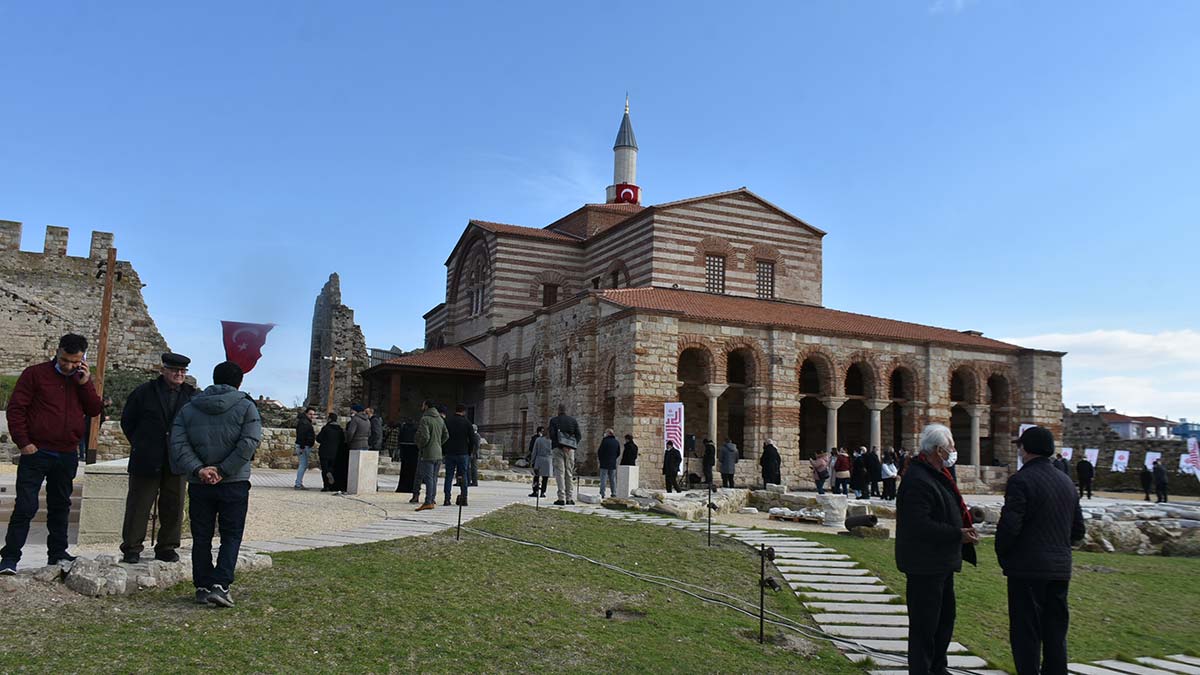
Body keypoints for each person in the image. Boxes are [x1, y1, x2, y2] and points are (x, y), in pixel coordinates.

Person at [1, 334, 103, 574]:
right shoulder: (35, 374)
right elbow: (16, 409)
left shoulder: (81, 379)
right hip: (36, 451)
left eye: (74, 362)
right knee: (25, 506)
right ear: (57, 352)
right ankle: (10, 559)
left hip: (66, 453)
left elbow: (94, 409)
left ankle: (57, 554)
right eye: (64, 360)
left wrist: (85, 383)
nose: (68, 366)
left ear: (83, 359)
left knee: (61, 506)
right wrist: (24, 443)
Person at [169, 360, 262, 608]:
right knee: (231, 535)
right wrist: (222, 470)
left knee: (202, 536)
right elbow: (249, 442)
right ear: (239, 382)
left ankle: (201, 586)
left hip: (200, 483)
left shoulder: (189, 408)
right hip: (234, 481)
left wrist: (200, 469)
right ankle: (221, 585)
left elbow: (179, 444)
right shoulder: (246, 407)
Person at [996, 425, 1085, 675]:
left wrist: (1004, 555)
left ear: (1025, 449)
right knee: (1055, 631)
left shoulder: (1021, 480)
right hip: (1059, 570)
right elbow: (1078, 530)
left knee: (1026, 631)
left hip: (1027, 570)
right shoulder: (1067, 482)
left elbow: (1010, 526)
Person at [895, 423, 978, 675]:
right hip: (925, 564)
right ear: (939, 450)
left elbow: (941, 509)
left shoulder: (937, 475)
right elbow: (919, 524)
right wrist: (957, 534)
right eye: (950, 446)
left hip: (941, 563)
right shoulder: (918, 479)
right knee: (925, 625)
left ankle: (938, 668)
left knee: (943, 622)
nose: (954, 451)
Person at [118, 352, 196, 565]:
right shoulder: (144, 392)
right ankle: (132, 548)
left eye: (182, 371)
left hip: (176, 460)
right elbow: (128, 421)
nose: (179, 374)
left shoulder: (191, 396)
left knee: (174, 505)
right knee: (139, 505)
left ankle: (167, 547)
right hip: (146, 458)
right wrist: (141, 444)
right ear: (164, 370)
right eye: (174, 370)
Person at [413, 399, 448, 511]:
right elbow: (446, 435)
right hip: (438, 452)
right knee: (433, 478)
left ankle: (428, 501)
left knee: (427, 478)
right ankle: (432, 499)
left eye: (423, 405)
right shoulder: (440, 419)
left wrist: (421, 445)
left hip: (428, 452)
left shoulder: (425, 419)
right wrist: (438, 443)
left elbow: (425, 436)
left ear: (426, 406)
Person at [443, 404, 476, 507]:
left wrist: (444, 450)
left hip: (450, 453)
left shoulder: (448, 422)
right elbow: (472, 440)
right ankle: (464, 498)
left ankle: (447, 499)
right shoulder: (467, 423)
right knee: (464, 476)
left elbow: (444, 437)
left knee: (448, 476)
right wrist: (469, 451)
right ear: (464, 412)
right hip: (463, 453)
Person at [548, 403, 581, 506]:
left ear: (558, 410)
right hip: (570, 450)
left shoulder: (554, 421)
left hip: (558, 449)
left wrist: (561, 445)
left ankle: (561, 498)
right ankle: (569, 498)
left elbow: (552, 435)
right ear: (567, 410)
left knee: (560, 473)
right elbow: (579, 435)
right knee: (569, 473)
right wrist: (570, 446)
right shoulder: (573, 421)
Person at [340, 404, 370, 492]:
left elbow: (351, 433)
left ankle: (352, 488)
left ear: (355, 411)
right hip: (365, 444)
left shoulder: (355, 419)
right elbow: (369, 433)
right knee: (362, 468)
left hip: (356, 444)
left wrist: (348, 442)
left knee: (354, 469)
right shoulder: (368, 420)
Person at [316, 413, 344, 492]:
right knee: (332, 468)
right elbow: (342, 441)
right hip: (335, 452)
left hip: (324, 452)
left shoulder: (326, 428)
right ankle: (332, 485)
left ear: (329, 419)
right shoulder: (340, 430)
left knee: (324, 469)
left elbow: (318, 439)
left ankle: (326, 486)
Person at [394, 417, 418, 499]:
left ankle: (403, 487)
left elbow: (400, 438)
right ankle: (411, 487)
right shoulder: (416, 428)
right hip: (414, 450)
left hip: (405, 449)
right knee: (412, 471)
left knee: (404, 470)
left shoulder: (403, 428)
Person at [293, 407, 316, 490]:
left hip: (305, 445)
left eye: (313, 414)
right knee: (303, 465)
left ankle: (299, 483)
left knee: (303, 465)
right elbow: (302, 435)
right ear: (306, 414)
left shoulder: (305, 422)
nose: (312, 416)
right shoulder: (304, 423)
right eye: (310, 414)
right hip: (303, 446)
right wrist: (302, 447)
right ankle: (298, 484)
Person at [529, 427, 552, 498]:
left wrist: (532, 461)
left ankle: (535, 491)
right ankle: (543, 492)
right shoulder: (552, 441)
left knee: (536, 477)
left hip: (539, 459)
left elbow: (534, 451)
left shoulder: (538, 440)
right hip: (548, 460)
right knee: (545, 478)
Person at [597, 429, 621, 498]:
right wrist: (614, 458)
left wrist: (600, 459)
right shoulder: (616, 442)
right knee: (612, 479)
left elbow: (600, 452)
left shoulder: (604, 441)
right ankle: (614, 493)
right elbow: (618, 452)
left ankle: (602, 493)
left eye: (605, 433)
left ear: (608, 434)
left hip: (604, 463)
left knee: (603, 479)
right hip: (612, 463)